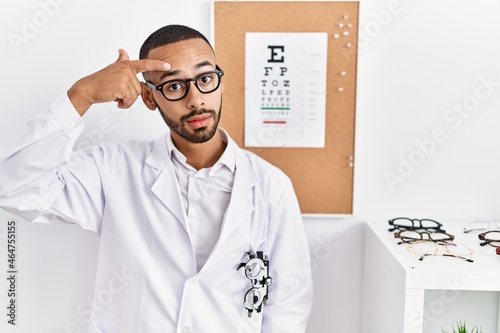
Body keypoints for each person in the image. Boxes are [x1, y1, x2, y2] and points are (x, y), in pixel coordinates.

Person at [0, 25, 313, 332]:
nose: (195, 100)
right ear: (149, 99)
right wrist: (81, 95)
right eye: (174, 86)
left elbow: (287, 302)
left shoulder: (271, 186)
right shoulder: (112, 169)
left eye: (205, 79)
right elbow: (13, 187)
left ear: (219, 82)